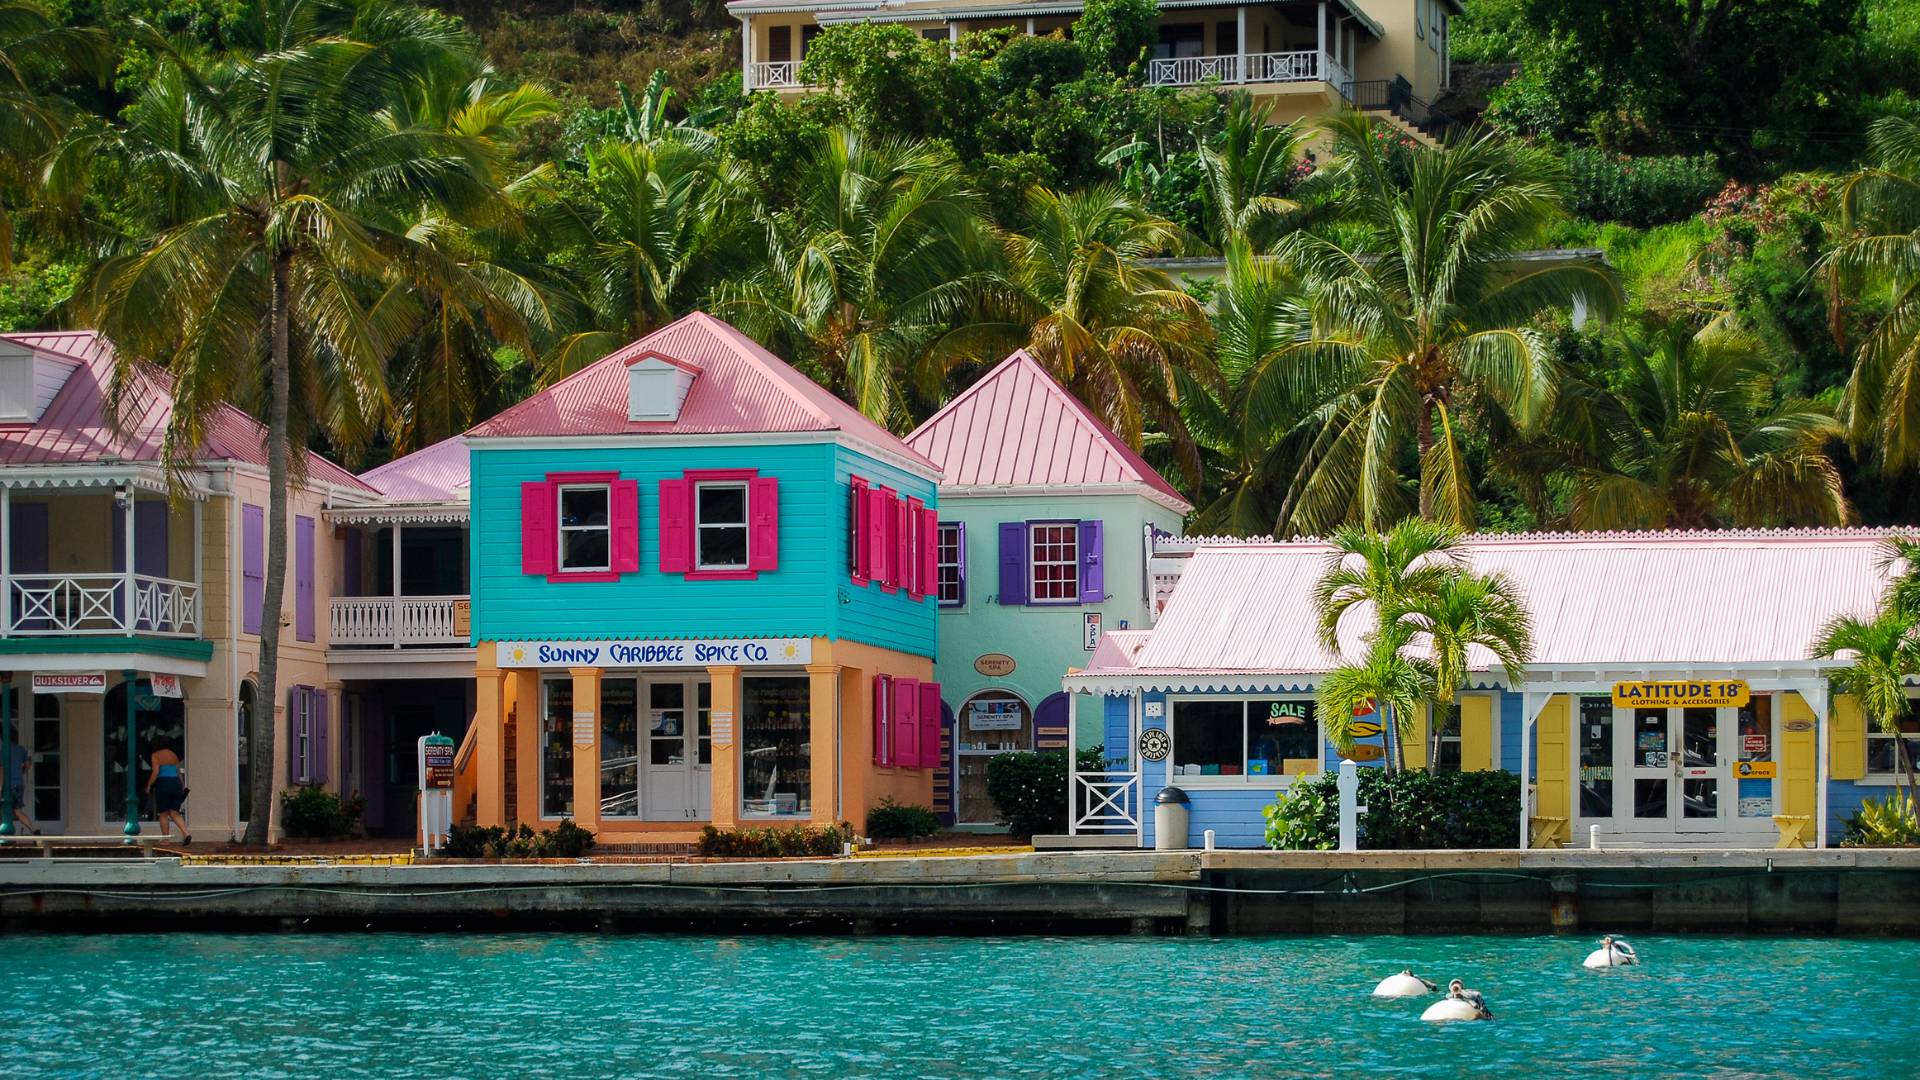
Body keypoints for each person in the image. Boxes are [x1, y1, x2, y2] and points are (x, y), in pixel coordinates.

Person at [146, 746, 189, 844]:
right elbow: (178, 773)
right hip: (176, 783)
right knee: (174, 813)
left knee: (163, 813)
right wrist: (182, 787)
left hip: (164, 783)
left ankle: (166, 839)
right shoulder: (173, 755)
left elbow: (156, 772)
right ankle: (186, 834)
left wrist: (148, 785)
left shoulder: (156, 755)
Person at [2, 739, 34, 835]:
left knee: (5, 809)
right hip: (19, 784)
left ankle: (6, 834)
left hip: (8, 785)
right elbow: (28, 764)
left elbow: (1, 769)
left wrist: (1, 786)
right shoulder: (21, 749)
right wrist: (22, 772)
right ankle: (35, 831)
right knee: (18, 811)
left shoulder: (3, 750)